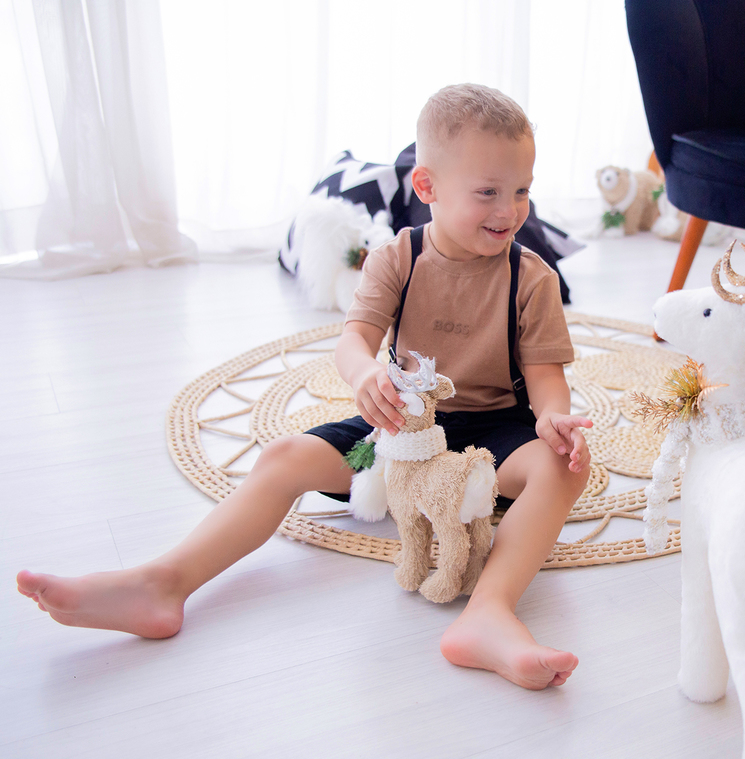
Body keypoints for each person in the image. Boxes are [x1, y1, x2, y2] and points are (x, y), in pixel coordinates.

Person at [16, 84, 592, 691]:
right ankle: (163, 583)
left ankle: (488, 613)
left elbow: (545, 379)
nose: (510, 210)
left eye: (522, 190)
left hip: (492, 439)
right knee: (284, 455)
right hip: (401, 431)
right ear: (428, 187)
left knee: (562, 467)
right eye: (489, 192)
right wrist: (366, 375)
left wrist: (553, 418)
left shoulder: (532, 278)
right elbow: (353, 341)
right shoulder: (396, 259)